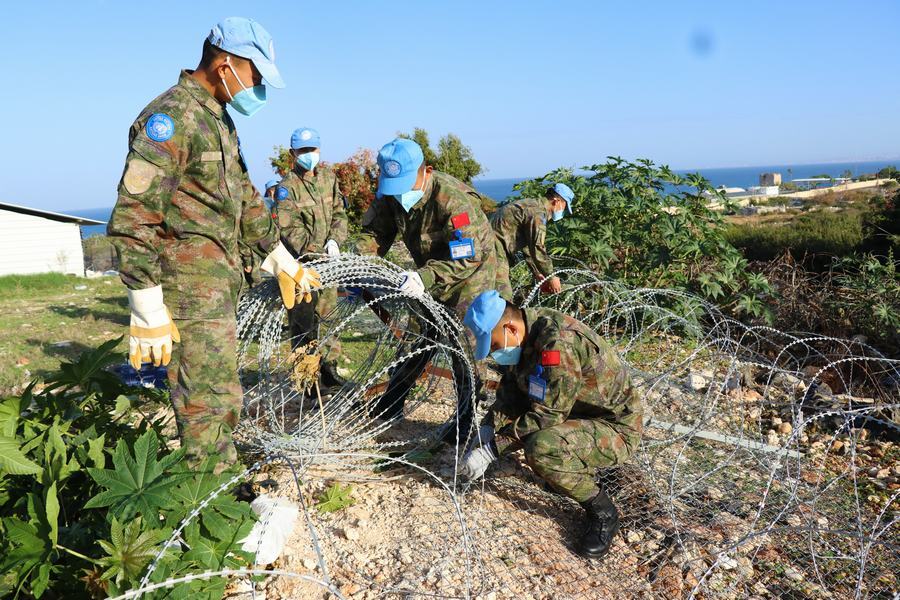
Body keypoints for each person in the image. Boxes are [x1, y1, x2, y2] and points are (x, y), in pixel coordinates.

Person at [107, 17, 320, 468]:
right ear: (225, 65)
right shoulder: (169, 120)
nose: (256, 88)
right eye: (255, 77)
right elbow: (134, 215)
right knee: (203, 400)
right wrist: (145, 301)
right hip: (184, 289)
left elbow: (243, 196)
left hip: (217, 284)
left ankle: (221, 484)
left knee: (223, 391)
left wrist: (279, 255)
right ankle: (210, 498)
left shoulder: (218, 120)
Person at [460, 290, 643, 559]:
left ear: (510, 327)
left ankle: (603, 511)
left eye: (495, 346)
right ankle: (567, 465)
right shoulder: (523, 337)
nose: (495, 354)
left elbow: (549, 414)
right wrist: (489, 426)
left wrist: (491, 450)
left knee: (541, 448)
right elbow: (511, 392)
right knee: (534, 436)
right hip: (573, 414)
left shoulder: (557, 344)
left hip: (613, 427)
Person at [356, 138, 512, 434]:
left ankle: (466, 418)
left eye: (405, 183)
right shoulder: (391, 193)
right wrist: (352, 256)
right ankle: (392, 401)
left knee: (463, 345)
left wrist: (424, 278)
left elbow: (470, 256)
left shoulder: (452, 201)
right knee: (422, 337)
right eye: (393, 185)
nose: (399, 193)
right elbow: (377, 233)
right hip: (428, 277)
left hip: (470, 276)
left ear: (425, 171)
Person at [275, 127, 348, 391]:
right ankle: (306, 381)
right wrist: (317, 249)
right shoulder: (286, 188)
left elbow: (340, 213)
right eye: (303, 151)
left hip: (329, 267)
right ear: (293, 153)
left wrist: (335, 240)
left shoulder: (329, 179)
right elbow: (289, 229)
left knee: (329, 319)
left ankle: (329, 371)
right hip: (301, 269)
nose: (309, 156)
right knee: (303, 324)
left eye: (313, 150)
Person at [491, 183, 574, 295]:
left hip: (491, 248)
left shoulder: (532, 205)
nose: (563, 211)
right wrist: (551, 277)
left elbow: (528, 245)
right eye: (564, 207)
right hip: (493, 252)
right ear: (557, 201)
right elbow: (537, 247)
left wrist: (537, 272)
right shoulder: (538, 214)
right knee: (503, 299)